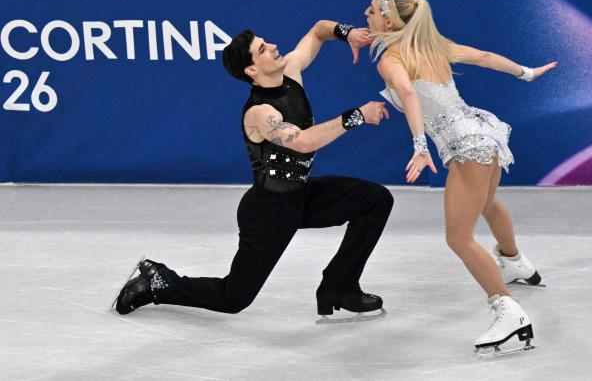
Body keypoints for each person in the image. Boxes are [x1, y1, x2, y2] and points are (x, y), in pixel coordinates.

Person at [113, 20, 393, 322]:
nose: (273, 46)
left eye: (267, 41)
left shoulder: (291, 72)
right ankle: (159, 282)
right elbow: (302, 142)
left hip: (303, 196)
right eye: (262, 48)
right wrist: (357, 116)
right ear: (252, 70)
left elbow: (317, 31)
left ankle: (340, 287)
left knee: (375, 199)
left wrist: (346, 32)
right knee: (233, 298)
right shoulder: (260, 113)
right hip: (269, 211)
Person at [359, 0, 556, 355]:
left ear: (388, 19)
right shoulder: (431, 46)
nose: (365, 13)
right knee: (486, 204)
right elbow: (482, 56)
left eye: (371, 9)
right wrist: (526, 72)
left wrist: (419, 145)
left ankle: (507, 311)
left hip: (466, 148)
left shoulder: (390, 56)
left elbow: (411, 93)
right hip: (485, 135)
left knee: (458, 237)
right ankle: (515, 263)